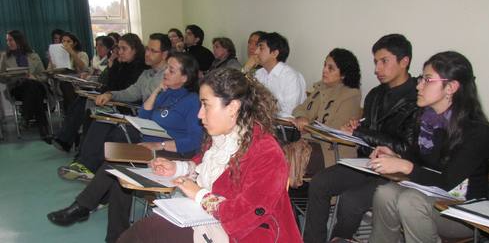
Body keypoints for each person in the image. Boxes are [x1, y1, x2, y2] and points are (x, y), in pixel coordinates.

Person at [117, 67, 302, 243]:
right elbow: (204, 163)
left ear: (232, 108)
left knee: (147, 232)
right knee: (146, 230)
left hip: (248, 234)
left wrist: (200, 195)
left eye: (206, 105)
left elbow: (246, 214)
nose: (199, 114)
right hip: (215, 222)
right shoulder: (226, 136)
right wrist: (177, 168)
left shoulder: (266, 152)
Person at [47, 52, 204, 243]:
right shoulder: (166, 93)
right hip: (148, 147)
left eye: (171, 70)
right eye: (167, 68)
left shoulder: (192, 100)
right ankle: (114, 236)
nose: (166, 72)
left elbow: (195, 141)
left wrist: (159, 144)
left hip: (175, 153)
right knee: (118, 175)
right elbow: (144, 117)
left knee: (116, 166)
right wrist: (156, 92)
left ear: (185, 77)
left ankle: (83, 208)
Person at [303, 34, 419, 243]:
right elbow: (367, 132)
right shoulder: (375, 95)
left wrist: (363, 133)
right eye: (376, 62)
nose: (377, 69)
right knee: (320, 182)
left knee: (350, 200)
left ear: (404, 62)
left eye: (384, 62)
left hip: (395, 172)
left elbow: (406, 147)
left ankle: (340, 238)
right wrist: (355, 128)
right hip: (366, 163)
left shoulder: (416, 98)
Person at [368, 51, 489, 243]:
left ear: (451, 87)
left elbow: (447, 181)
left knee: (410, 201)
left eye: (427, 79)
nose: (419, 85)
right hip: (429, 197)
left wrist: (405, 167)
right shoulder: (425, 119)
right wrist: (395, 157)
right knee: (385, 193)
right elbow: (416, 161)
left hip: (463, 211)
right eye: (421, 79)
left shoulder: (477, 131)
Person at [55, 33, 164, 181]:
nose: (148, 53)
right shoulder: (147, 73)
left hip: (145, 117)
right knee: (100, 119)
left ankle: (88, 166)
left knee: (108, 125)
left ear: (165, 54)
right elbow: (131, 91)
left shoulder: (168, 75)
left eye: (153, 50)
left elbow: (157, 103)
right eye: (148, 49)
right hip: (135, 113)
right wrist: (111, 94)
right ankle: (84, 164)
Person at [291, 48, 362, 173]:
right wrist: (302, 117)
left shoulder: (351, 95)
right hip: (309, 142)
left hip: (331, 151)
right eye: (324, 65)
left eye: (331, 68)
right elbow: (300, 109)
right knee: (273, 151)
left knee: (284, 157)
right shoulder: (320, 89)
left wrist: (307, 126)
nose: (324, 70)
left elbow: (334, 130)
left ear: (343, 74)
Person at [0, 30, 49, 142]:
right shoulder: (5, 57)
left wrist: (34, 77)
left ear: (19, 40)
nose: (8, 43)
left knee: (32, 84)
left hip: (36, 85)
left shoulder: (33, 55)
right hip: (18, 89)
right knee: (33, 90)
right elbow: (1, 77)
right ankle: (43, 128)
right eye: (7, 40)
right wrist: (8, 76)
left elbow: (44, 76)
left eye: (11, 40)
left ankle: (26, 117)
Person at [254, 32, 306, 117]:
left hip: (283, 127)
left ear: (275, 53)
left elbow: (289, 113)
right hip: (263, 122)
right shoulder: (259, 73)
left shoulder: (291, 77)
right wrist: (245, 69)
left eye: (261, 48)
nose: (256, 52)